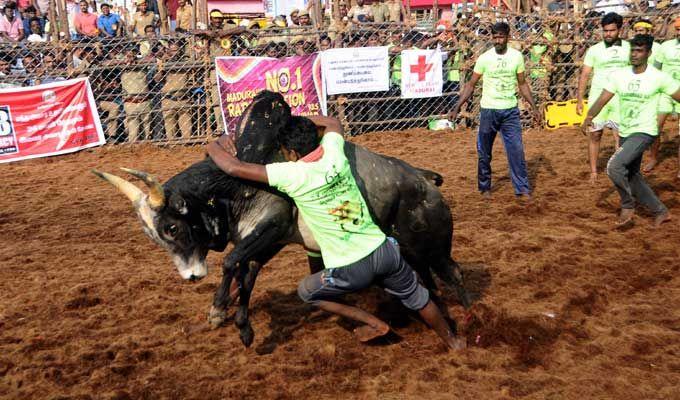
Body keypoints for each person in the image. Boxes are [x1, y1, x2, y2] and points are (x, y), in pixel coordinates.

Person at [206, 114, 466, 350]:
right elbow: (332, 122)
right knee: (419, 299)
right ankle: (453, 341)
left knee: (307, 291)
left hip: (349, 268)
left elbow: (233, 168)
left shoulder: (292, 175)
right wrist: (296, 119)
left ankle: (373, 323)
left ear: (292, 153)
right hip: (384, 250)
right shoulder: (334, 154)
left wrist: (212, 145)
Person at [581, 34, 680, 228]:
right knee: (632, 175)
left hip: (645, 131)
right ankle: (661, 211)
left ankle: (627, 204)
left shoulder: (659, 77)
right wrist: (589, 117)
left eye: (639, 50)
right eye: (632, 50)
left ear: (649, 53)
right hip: (626, 130)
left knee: (614, 167)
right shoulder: (620, 75)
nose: (634, 54)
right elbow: (602, 98)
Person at [449, 22, 540, 201]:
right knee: (484, 151)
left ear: (508, 37)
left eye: (501, 37)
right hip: (488, 110)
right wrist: (457, 106)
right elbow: (471, 84)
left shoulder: (516, 57)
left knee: (516, 150)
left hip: (510, 111)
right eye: (495, 37)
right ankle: (484, 187)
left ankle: (522, 189)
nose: (497, 40)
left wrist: (534, 106)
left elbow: (522, 84)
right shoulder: (484, 58)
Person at [576, 12, 630, 185]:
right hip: (598, 99)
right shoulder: (594, 50)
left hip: (620, 98)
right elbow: (584, 75)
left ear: (620, 30)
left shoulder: (629, 48)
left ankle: (618, 170)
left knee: (619, 136)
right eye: (605, 31)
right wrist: (579, 100)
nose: (608, 34)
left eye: (612, 31)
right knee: (594, 135)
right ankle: (593, 171)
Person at [645, 17, 680, 177]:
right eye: (678, 29)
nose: (679, 32)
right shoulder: (666, 46)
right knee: (655, 127)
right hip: (665, 92)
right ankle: (652, 158)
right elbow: (656, 69)